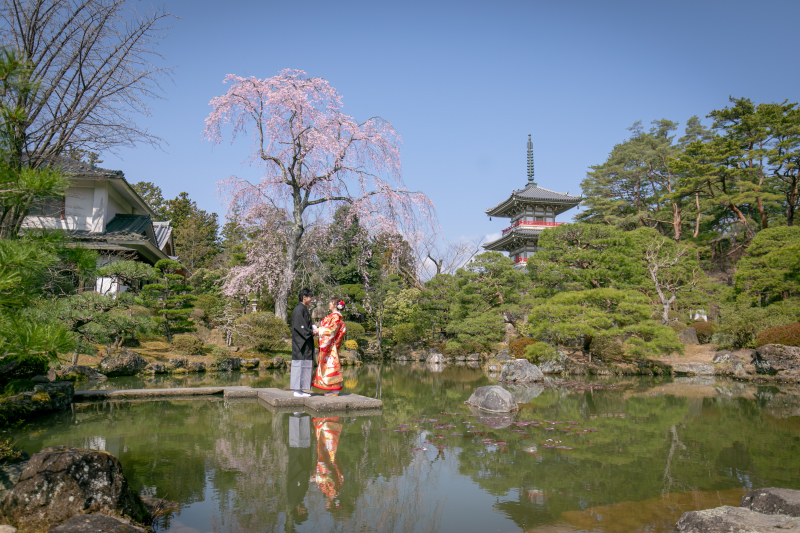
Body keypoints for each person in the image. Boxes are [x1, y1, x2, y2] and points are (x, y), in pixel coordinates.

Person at [311, 298, 347, 396]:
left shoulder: (336, 317)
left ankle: (335, 390)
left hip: (330, 345)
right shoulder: (333, 316)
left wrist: (319, 330)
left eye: (331, 302)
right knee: (329, 366)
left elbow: (332, 330)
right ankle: (332, 389)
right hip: (329, 343)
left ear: (335, 305)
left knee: (331, 366)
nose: (329, 304)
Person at [291, 288, 317, 397]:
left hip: (305, 343)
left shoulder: (303, 309)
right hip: (300, 344)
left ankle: (300, 389)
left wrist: (311, 328)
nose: (311, 299)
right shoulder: (299, 309)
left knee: (305, 365)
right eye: (310, 297)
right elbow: (299, 327)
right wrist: (311, 331)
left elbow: (305, 325)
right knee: (299, 365)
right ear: (304, 297)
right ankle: (297, 390)